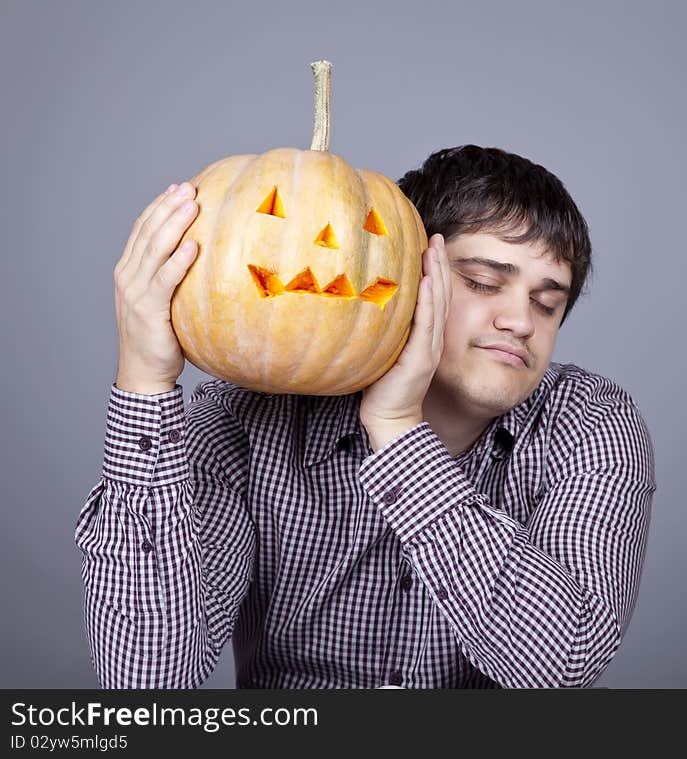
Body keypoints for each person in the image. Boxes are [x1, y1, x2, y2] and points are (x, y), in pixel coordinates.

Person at [75, 144, 656, 688]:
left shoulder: (592, 422)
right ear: (401, 273)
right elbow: (147, 678)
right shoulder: (242, 422)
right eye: (483, 282)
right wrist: (146, 384)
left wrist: (399, 430)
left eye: (546, 302)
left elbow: (563, 657)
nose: (521, 322)